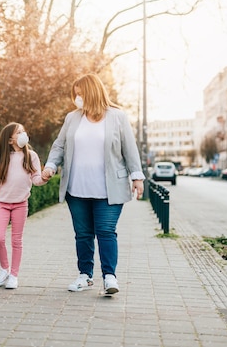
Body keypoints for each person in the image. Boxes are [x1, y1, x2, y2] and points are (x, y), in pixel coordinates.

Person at [41, 73, 145, 295]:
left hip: (109, 189)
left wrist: (137, 177)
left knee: (106, 231)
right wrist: (50, 165)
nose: (77, 99)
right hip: (76, 187)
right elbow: (59, 145)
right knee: (83, 234)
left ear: (93, 92)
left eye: (81, 94)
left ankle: (109, 277)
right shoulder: (72, 118)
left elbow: (130, 148)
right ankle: (85, 276)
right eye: (75, 95)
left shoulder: (117, 117)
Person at [0, 122, 46, 289]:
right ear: (10, 139)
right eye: (19, 132)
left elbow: (36, 179)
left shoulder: (31, 156)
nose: (23, 134)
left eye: (23, 131)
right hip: (3, 205)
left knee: (16, 240)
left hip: (21, 204)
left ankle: (14, 275)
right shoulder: (2, 158)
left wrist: (45, 178)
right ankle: (4, 269)